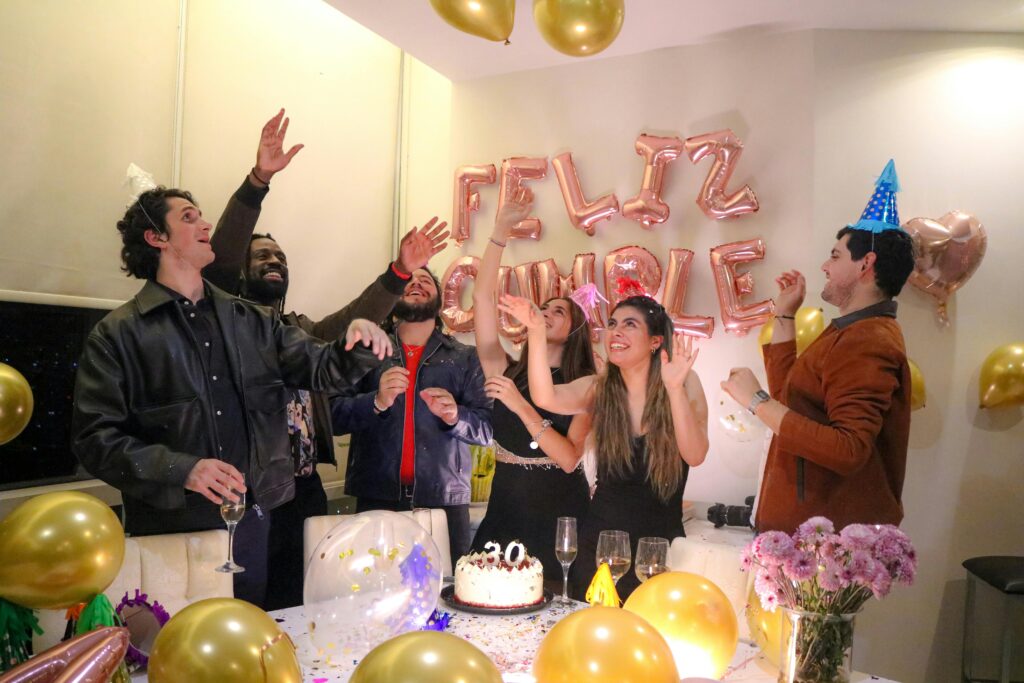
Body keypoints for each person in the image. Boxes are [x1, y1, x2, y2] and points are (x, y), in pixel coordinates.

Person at [71, 186, 391, 608]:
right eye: (188, 217)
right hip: (171, 529)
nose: (204, 224)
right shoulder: (117, 334)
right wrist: (182, 468)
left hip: (253, 524)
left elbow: (321, 368)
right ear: (156, 238)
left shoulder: (255, 321)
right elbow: (95, 439)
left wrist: (358, 343)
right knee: (179, 650)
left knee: (246, 633)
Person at [200, 110, 449, 609]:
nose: (275, 262)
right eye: (263, 257)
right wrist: (258, 182)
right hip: (247, 494)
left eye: (282, 258)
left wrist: (400, 271)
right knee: (247, 606)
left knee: (302, 604)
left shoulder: (301, 331)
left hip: (305, 489)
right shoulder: (223, 325)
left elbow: (356, 317)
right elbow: (221, 258)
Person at [721, 159, 916, 533]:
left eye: (836, 255)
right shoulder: (851, 330)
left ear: (866, 264)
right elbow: (790, 399)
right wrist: (785, 315)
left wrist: (756, 402)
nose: (825, 267)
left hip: (824, 545)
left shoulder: (868, 341)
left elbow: (847, 449)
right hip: (803, 530)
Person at [501, 289, 709, 600]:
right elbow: (545, 397)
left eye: (629, 325)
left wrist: (675, 389)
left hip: (658, 547)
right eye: (612, 324)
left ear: (656, 341)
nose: (615, 332)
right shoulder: (600, 388)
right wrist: (535, 332)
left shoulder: (683, 381)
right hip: (601, 545)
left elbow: (695, 454)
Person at [469, 188, 596, 587]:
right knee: (487, 598)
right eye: (543, 308)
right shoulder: (507, 370)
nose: (545, 312)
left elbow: (570, 459)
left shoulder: (585, 386)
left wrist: (522, 407)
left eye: (558, 311)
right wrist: (499, 233)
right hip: (505, 505)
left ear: (576, 331)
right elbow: (482, 299)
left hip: (559, 511)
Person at [331, 268, 493, 561]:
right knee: (375, 594)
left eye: (426, 280)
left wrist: (456, 417)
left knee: (446, 595)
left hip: (444, 503)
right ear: (393, 295)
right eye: (408, 280)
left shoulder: (465, 358)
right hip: (375, 497)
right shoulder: (366, 352)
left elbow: (488, 430)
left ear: (440, 301)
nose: (416, 283)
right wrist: (376, 401)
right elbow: (332, 417)